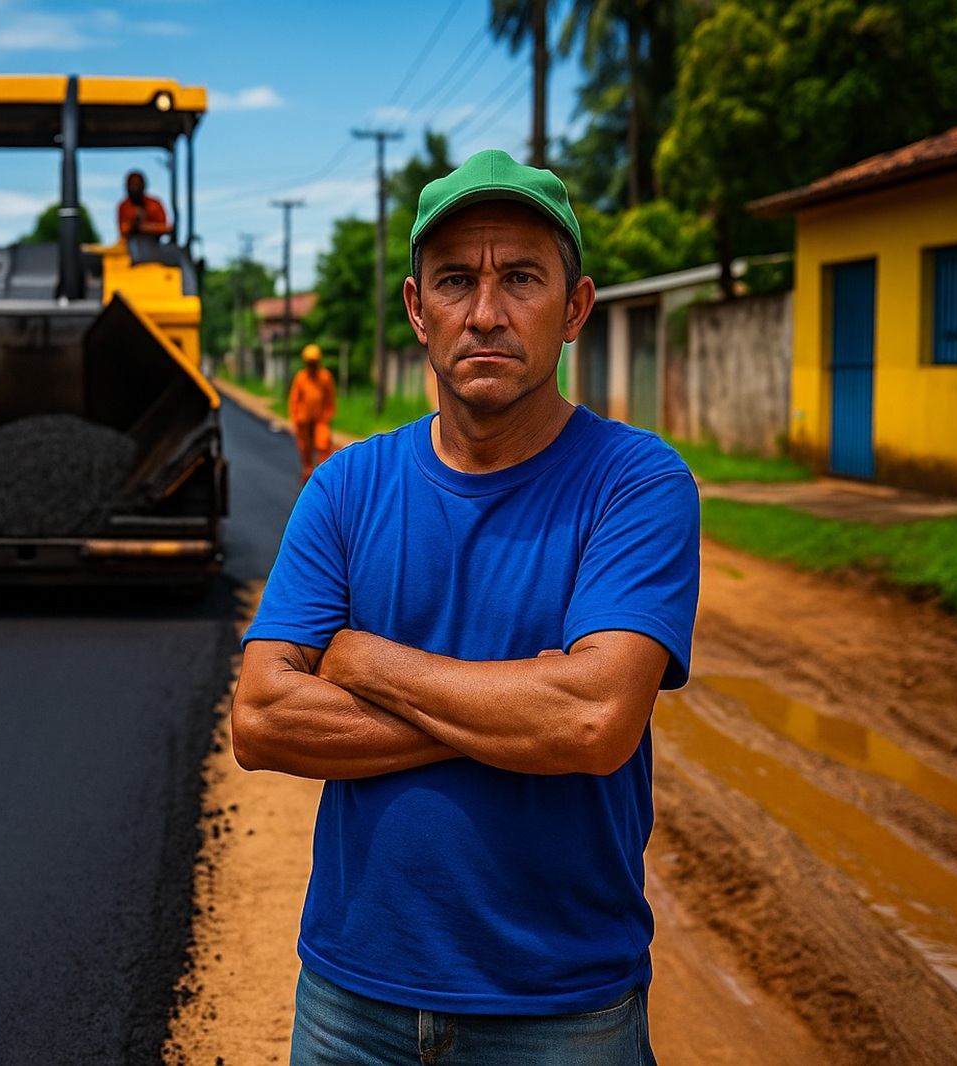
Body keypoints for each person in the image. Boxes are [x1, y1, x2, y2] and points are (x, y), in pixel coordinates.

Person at [231, 149, 700, 1064]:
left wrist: (366, 663)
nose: (485, 311)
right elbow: (261, 719)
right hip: (348, 1006)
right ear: (418, 308)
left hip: (562, 1014)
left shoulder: (636, 484)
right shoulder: (345, 488)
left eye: (521, 277)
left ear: (574, 307)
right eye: (455, 279)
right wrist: (522, 709)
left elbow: (597, 719)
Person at [287, 343, 337, 482]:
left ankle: (325, 476)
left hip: (321, 419)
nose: (312, 364)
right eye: (310, 362)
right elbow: (294, 399)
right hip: (304, 420)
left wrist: (328, 415)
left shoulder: (325, 377)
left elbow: (330, 398)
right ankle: (308, 472)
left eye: (314, 362)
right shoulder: (301, 378)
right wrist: (295, 417)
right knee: (305, 448)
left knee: (323, 445)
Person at [117, 170, 170, 239]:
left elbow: (165, 228)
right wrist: (134, 225)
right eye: (131, 185)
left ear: (143, 185)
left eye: (137, 184)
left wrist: (143, 227)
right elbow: (123, 230)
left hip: (153, 245)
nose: (134, 188)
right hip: (129, 245)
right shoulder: (124, 206)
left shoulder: (154, 204)